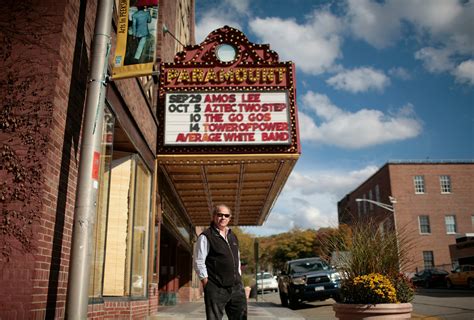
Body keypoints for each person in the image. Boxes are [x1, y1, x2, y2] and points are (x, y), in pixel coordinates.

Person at [193, 204, 247, 320]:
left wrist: (238, 277)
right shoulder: (206, 236)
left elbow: (237, 259)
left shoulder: (233, 236)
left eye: (226, 215)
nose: (223, 218)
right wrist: (206, 282)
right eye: (220, 215)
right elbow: (199, 261)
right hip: (216, 287)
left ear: (229, 218)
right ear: (214, 216)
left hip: (236, 288)